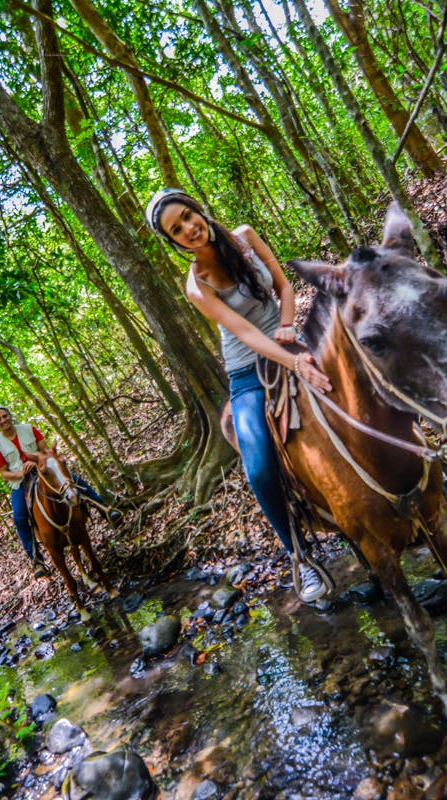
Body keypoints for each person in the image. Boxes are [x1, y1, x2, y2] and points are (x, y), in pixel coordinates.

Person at [144, 188, 332, 604]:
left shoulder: (245, 236)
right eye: (177, 230)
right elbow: (245, 333)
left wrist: (287, 327)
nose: (189, 228)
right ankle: (298, 554)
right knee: (259, 467)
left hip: (287, 337)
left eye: (188, 216)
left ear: (199, 209)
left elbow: (283, 285)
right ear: (174, 242)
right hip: (248, 369)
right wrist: (292, 361)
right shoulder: (197, 286)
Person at [0, 403, 122, 578]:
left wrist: (38, 461)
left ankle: (105, 509)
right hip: (21, 481)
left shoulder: (28, 429)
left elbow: (45, 449)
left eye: (5, 416)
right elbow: (4, 473)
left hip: (45, 469)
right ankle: (35, 559)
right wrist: (20, 472)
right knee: (20, 517)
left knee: (76, 482)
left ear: (10, 416)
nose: (3, 420)